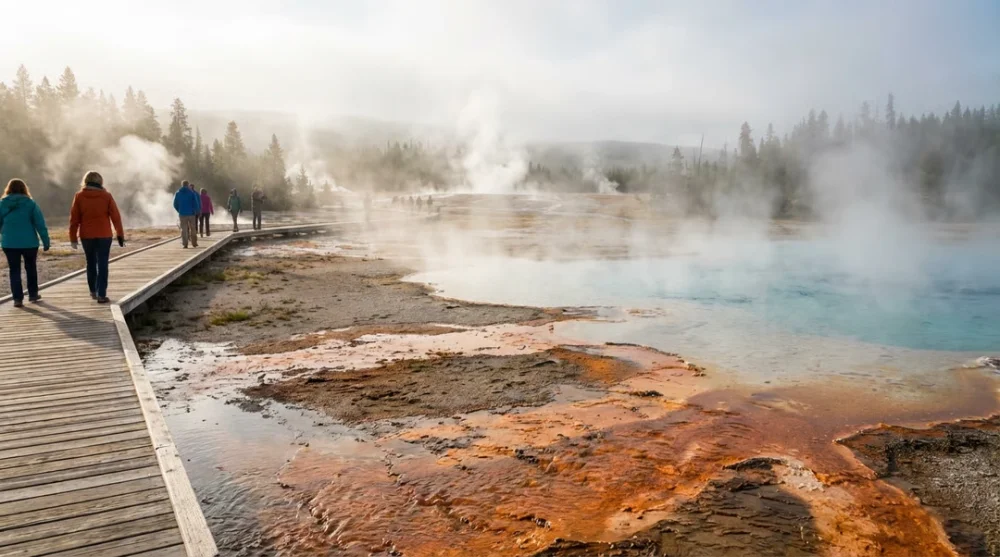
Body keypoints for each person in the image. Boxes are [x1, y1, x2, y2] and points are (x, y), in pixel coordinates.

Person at [69, 171, 125, 303]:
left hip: (86, 235)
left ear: (85, 181)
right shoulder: (106, 196)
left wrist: (73, 238)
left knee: (91, 263)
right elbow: (116, 217)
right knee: (103, 263)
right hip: (104, 235)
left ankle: (93, 291)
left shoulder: (79, 196)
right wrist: (120, 234)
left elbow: (74, 219)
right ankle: (101, 294)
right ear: (100, 181)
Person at [0, 179, 50, 307]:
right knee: (31, 268)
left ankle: (17, 299)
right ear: (24, 189)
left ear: (8, 189)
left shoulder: (3, 204)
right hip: (29, 243)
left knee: (14, 270)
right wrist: (45, 241)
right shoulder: (30, 204)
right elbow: (40, 224)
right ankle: (33, 294)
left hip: (9, 243)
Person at [173, 180, 201, 248]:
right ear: (188, 185)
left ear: (182, 185)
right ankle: (194, 243)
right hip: (191, 214)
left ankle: (185, 244)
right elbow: (196, 203)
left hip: (182, 214)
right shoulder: (192, 193)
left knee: (184, 229)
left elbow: (175, 204)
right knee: (193, 229)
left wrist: (179, 210)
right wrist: (197, 211)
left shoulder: (178, 193)